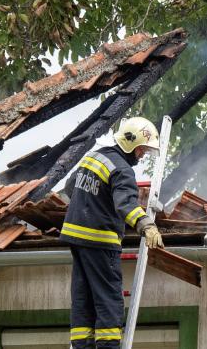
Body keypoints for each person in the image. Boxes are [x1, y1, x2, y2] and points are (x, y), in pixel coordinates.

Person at [59, 116, 165, 349]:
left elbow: (69, 188)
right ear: (132, 145)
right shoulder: (123, 170)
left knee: (83, 298)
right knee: (108, 298)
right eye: (141, 150)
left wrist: (90, 204)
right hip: (100, 241)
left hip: (76, 239)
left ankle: (82, 345)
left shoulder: (93, 157)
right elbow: (125, 204)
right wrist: (146, 225)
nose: (142, 155)